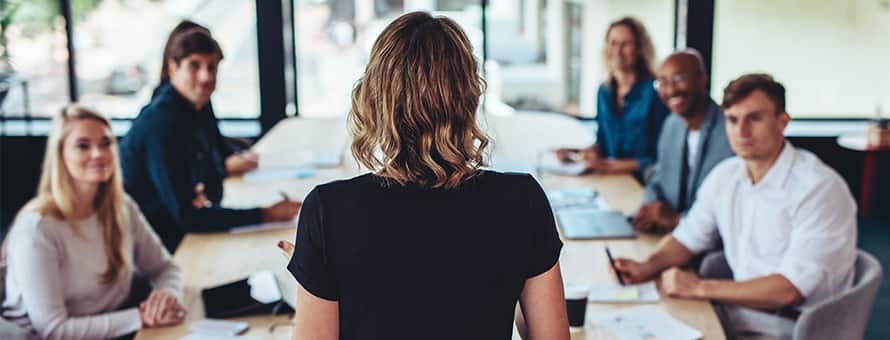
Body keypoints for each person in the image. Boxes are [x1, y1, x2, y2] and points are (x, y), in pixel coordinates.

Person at [287, 12, 570, 340]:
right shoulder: (523, 201)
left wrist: (317, 260)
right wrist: (511, 270)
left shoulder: (328, 211)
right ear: (469, 97)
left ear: (376, 100)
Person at [613, 74, 857, 339]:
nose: (741, 132)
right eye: (732, 120)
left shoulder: (818, 189)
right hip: (741, 310)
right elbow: (688, 237)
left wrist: (698, 287)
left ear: (782, 122)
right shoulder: (726, 176)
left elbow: (788, 289)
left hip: (795, 327)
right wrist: (645, 267)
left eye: (754, 118)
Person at [1, 105, 186, 339]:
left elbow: (166, 267)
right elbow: (53, 329)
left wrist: (165, 297)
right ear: (60, 154)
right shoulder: (38, 229)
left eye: (106, 143)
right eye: (82, 146)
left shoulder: (122, 208)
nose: (98, 153)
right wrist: (141, 317)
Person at [120, 26, 300, 252]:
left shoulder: (198, 103)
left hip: (177, 229)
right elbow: (187, 217)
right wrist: (266, 214)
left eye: (212, 67)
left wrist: (200, 192)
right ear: (173, 68)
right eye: (194, 66)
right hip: (152, 245)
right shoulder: (161, 123)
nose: (206, 77)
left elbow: (213, 167)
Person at [631, 50, 734, 232]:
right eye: (663, 82)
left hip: (708, 242)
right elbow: (658, 177)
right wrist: (652, 205)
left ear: (702, 80)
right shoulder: (672, 124)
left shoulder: (731, 131)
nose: (671, 89)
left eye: (679, 78)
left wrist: (677, 219)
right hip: (671, 235)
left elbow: (729, 207)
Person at [555, 17, 669, 176]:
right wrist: (580, 153)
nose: (618, 51)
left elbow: (662, 157)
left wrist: (608, 166)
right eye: (613, 43)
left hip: (643, 183)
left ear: (639, 49)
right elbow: (603, 141)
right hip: (611, 179)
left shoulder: (655, 93)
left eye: (625, 44)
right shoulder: (604, 92)